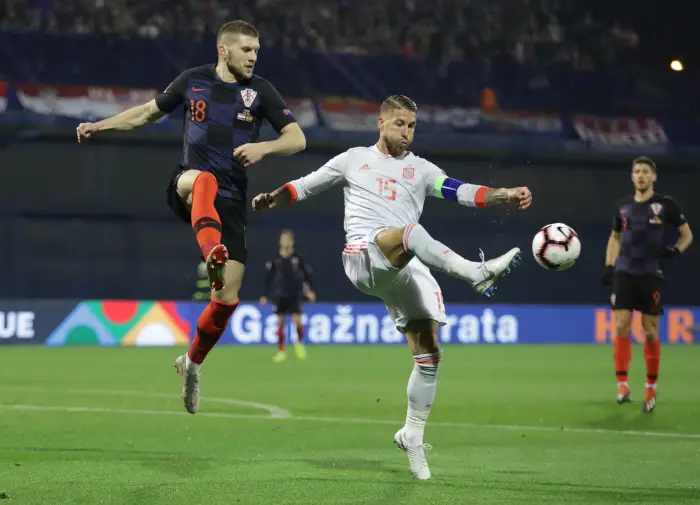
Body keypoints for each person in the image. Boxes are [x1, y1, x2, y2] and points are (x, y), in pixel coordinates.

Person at [252, 95, 531, 480]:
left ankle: (412, 435)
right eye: (400, 123)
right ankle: (475, 272)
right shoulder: (354, 158)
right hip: (363, 256)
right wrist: (272, 199)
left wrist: (504, 195)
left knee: (430, 354)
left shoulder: (421, 170)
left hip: (404, 263)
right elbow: (304, 187)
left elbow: (461, 191)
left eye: (412, 125)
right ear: (380, 123)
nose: (407, 132)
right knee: (410, 233)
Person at [76, 20, 307, 414]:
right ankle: (211, 250)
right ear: (224, 50)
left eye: (256, 50)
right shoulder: (193, 81)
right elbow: (146, 113)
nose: (253, 56)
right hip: (188, 185)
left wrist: (265, 149)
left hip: (231, 202)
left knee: (225, 300)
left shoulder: (261, 92)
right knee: (203, 181)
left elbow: (297, 138)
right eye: (246, 49)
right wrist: (100, 125)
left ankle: (193, 363)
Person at [603, 156, 692, 414]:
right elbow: (615, 237)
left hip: (650, 273)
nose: (640, 176)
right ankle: (622, 385)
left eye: (645, 172)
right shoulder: (622, 207)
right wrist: (610, 266)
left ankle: (650, 387)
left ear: (654, 176)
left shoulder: (665, 205)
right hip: (625, 272)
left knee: (650, 330)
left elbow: (687, 235)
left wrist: (675, 250)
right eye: (636, 172)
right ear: (632, 177)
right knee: (621, 325)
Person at [259, 229, 316, 362]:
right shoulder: (275, 260)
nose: (285, 242)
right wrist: (264, 295)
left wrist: (310, 291)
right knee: (280, 322)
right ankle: (281, 351)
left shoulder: (297, 259)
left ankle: (299, 344)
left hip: (294, 294)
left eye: (288, 240)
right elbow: (268, 279)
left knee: (297, 321)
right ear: (280, 242)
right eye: (283, 239)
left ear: (292, 242)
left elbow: (307, 276)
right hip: (280, 294)